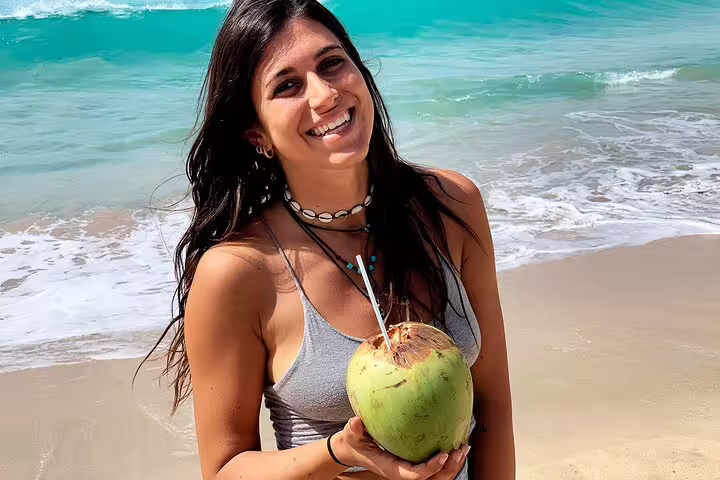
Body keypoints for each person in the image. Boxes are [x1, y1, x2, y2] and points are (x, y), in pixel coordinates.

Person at [143, 0, 515, 478]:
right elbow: (224, 470)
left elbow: (493, 405)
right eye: (288, 85)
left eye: (332, 63)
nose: (324, 95)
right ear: (257, 133)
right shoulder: (238, 272)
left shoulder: (451, 206)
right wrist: (338, 452)